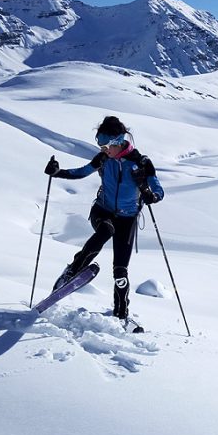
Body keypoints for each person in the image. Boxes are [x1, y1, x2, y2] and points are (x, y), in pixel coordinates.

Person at [43, 115, 164, 329]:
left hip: (127, 219)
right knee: (105, 230)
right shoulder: (103, 159)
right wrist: (57, 172)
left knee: (121, 271)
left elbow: (158, 191)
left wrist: (149, 194)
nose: (103, 149)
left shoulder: (141, 163)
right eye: (100, 145)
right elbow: (82, 172)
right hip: (102, 211)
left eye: (106, 145)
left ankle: (121, 314)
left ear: (118, 142)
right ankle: (72, 271)